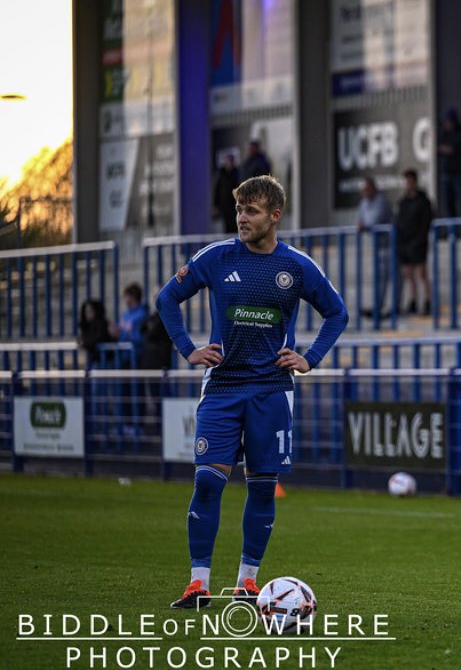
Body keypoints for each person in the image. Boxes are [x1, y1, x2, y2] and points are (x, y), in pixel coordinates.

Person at [158, 175, 348, 609]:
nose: (242, 218)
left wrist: (309, 358)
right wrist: (188, 349)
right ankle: (198, 584)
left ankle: (247, 582)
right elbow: (167, 299)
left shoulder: (297, 266)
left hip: (272, 390)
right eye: (239, 210)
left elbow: (337, 313)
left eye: (252, 211)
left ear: (274, 216)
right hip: (223, 387)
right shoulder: (217, 257)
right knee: (207, 482)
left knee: (262, 489)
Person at [396, 169, 434, 316]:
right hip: (405, 242)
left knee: (421, 273)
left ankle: (427, 300)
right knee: (408, 273)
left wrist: (419, 238)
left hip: (418, 241)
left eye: (410, 181)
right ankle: (413, 300)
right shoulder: (403, 202)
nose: (408, 184)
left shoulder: (423, 201)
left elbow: (426, 222)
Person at [356, 177, 395, 319]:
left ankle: (392, 308)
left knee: (391, 278)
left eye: (367, 189)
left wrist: (365, 226)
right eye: (363, 190)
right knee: (379, 278)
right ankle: (378, 307)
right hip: (377, 245)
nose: (365, 193)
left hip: (390, 245)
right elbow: (360, 220)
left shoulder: (381, 201)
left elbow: (374, 220)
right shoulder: (364, 203)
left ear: (374, 188)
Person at [116, 283, 149, 366]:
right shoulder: (125, 314)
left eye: (126, 296)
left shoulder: (142, 314)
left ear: (132, 297)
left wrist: (121, 334)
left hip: (137, 356)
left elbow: (139, 337)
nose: (125, 299)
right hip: (123, 356)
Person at [77, 298, 113, 368]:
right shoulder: (87, 325)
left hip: (105, 362)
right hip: (94, 361)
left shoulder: (102, 324)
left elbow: (97, 339)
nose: (87, 314)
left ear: (96, 311)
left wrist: (85, 343)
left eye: (90, 311)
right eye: (86, 311)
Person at [213, 154, 240, 234]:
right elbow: (216, 190)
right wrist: (215, 204)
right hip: (223, 206)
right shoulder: (221, 174)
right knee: (225, 227)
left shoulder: (236, 173)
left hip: (233, 205)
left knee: (234, 225)